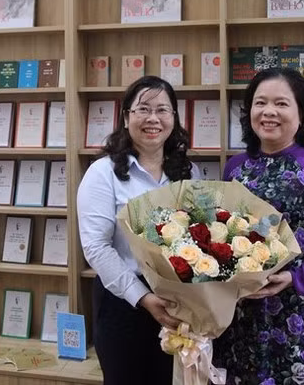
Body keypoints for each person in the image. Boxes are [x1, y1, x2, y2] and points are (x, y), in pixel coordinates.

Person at [213, 68, 304, 385]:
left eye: (281, 103)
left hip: (296, 307)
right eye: (260, 102)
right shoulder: (235, 168)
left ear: (301, 113)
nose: (269, 111)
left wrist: (296, 277)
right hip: (240, 311)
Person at [77, 75, 198, 385]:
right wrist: (143, 298)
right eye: (143, 109)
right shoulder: (103, 173)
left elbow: (200, 238)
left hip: (178, 303)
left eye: (163, 110)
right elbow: (96, 248)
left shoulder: (188, 172)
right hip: (124, 304)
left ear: (174, 117)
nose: (153, 118)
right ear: (126, 116)